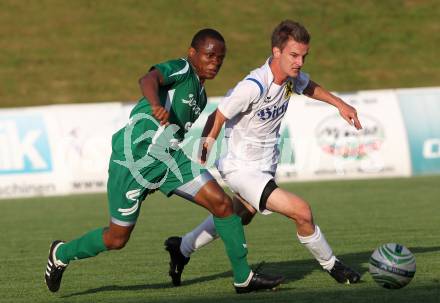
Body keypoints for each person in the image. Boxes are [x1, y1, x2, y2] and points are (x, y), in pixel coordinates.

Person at [44, 28, 283, 294]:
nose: (215, 62)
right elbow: (148, 78)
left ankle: (243, 278)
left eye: (220, 58)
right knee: (116, 238)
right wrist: (155, 103)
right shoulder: (181, 68)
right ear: (193, 54)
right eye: (209, 55)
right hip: (133, 161)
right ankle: (61, 253)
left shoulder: (201, 97)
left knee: (223, 204)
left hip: (169, 160)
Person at [164, 20, 363, 287]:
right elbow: (218, 114)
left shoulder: (291, 78)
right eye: (294, 55)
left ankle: (182, 247)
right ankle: (333, 265)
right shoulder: (254, 85)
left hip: (264, 165)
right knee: (302, 211)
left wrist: (340, 104)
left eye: (304, 56)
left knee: (237, 216)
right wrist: (208, 141)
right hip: (241, 168)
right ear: (276, 52)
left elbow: (308, 85)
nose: (300, 62)